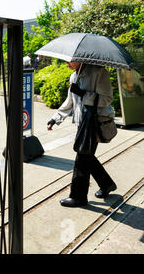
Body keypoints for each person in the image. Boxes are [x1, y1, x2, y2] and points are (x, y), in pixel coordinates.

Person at [47, 62, 117, 207]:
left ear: (80, 58)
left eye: (70, 60)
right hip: (83, 124)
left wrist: (83, 94)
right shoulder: (74, 76)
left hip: (96, 122)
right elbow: (69, 102)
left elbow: (107, 99)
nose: (67, 62)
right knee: (87, 156)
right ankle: (107, 184)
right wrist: (55, 118)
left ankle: (78, 197)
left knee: (82, 159)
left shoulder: (99, 72)